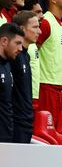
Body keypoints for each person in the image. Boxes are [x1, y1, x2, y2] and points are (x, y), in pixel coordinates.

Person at [36, 0, 62, 124]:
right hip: (46, 87)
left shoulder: (60, 24)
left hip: (57, 88)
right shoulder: (46, 22)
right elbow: (34, 50)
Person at [11, 11, 41, 143]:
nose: (39, 31)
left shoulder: (26, 55)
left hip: (27, 120)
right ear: (22, 29)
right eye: (35, 27)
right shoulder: (14, 57)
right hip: (16, 123)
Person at [0, 23, 24, 142]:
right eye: (17, 43)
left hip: (7, 136)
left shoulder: (8, 65)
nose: (20, 49)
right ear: (4, 41)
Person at [23, 0, 43, 110]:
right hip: (26, 99)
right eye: (37, 12)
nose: (41, 16)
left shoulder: (32, 42)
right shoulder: (22, 47)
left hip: (35, 96)